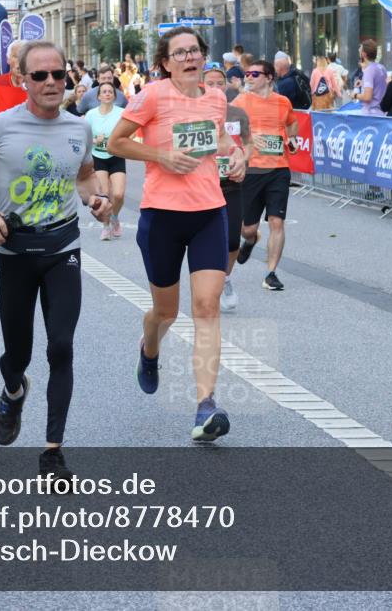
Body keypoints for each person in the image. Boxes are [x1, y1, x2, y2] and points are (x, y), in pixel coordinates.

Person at [0, 40, 111, 480]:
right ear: (22, 79)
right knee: (17, 354)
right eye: (40, 75)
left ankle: (53, 452)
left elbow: (84, 177)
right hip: (15, 252)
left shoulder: (78, 128)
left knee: (61, 347)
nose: (52, 82)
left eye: (59, 74)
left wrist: (96, 198)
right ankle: (13, 391)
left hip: (62, 249)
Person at [107, 26, 245, 441]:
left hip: (209, 213)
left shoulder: (216, 97)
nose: (189, 58)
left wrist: (236, 154)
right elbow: (116, 142)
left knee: (207, 307)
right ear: (165, 63)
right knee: (165, 312)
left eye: (194, 51)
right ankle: (149, 349)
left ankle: (206, 406)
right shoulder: (152, 96)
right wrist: (161, 155)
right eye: (179, 53)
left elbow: (220, 137)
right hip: (162, 216)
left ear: (203, 57)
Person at [232, 59, 299, 291]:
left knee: (277, 222)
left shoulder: (283, 102)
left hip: (279, 169)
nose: (248, 77)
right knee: (247, 228)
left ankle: (271, 273)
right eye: (247, 74)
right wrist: (248, 138)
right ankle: (251, 239)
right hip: (251, 169)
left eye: (254, 74)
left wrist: (291, 140)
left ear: (269, 77)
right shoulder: (241, 101)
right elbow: (227, 127)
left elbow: (292, 124)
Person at [203, 66, 252, 312]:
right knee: (206, 241)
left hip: (232, 183)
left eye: (219, 83)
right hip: (202, 185)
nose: (215, 88)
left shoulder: (237, 114)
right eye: (209, 83)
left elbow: (249, 143)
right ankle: (206, 287)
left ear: (226, 86)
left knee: (233, 240)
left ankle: (225, 278)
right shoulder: (194, 113)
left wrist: (242, 158)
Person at [85, 81, 126, 241]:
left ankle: (114, 216)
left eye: (110, 91)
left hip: (116, 155)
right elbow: (85, 138)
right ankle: (106, 226)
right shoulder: (91, 115)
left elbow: (128, 132)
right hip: (98, 157)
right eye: (104, 92)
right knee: (104, 194)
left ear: (114, 96)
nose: (107, 94)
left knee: (119, 194)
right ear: (99, 96)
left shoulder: (122, 113)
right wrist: (96, 140)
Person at [0, 42, 28, 115]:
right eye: (16, 56)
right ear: (8, 59)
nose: (20, 61)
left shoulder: (37, 83)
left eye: (24, 57)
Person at [350, 39, 387, 116]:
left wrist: (354, 95)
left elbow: (367, 97)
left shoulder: (369, 70)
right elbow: (379, 84)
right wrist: (363, 82)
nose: (358, 51)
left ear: (364, 54)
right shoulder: (381, 67)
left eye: (360, 50)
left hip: (370, 114)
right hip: (381, 112)